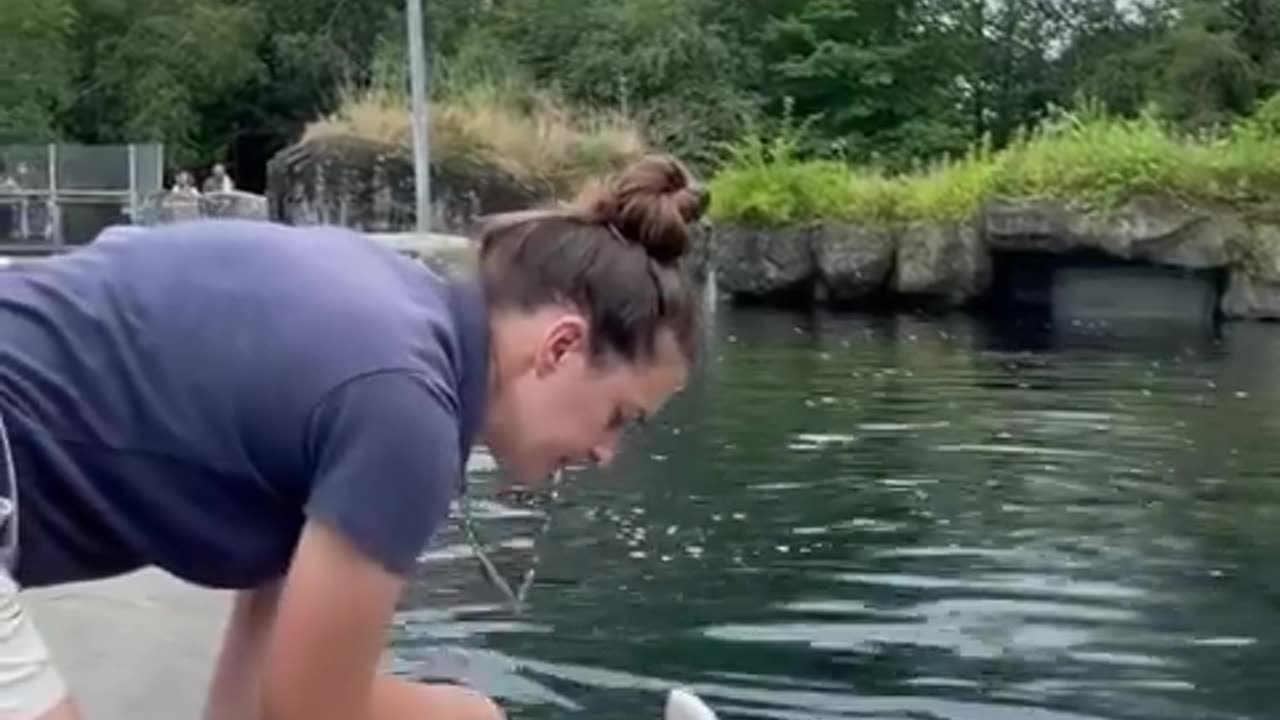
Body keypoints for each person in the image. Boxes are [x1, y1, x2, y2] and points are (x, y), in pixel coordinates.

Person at [0, 153, 708, 720]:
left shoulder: (391, 324)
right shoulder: (405, 408)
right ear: (560, 348)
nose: (605, 453)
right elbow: (307, 710)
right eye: (619, 416)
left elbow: (250, 706)